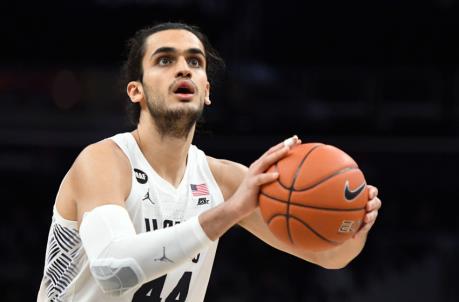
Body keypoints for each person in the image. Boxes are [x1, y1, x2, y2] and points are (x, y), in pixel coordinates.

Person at [37, 22, 382, 302]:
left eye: (195, 61)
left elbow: (329, 257)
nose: (183, 68)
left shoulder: (225, 181)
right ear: (135, 90)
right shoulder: (104, 162)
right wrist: (227, 213)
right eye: (164, 60)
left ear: (207, 91)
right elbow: (115, 271)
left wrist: (353, 225)